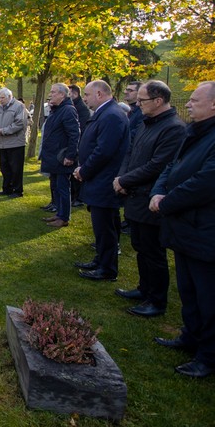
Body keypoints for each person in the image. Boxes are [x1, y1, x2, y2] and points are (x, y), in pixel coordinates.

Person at [149, 81, 215, 378]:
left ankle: (210, 356)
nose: (189, 104)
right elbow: (172, 167)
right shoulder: (197, 133)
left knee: (212, 298)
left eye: (195, 100)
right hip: (187, 229)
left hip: (212, 231)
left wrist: (167, 201)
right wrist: (158, 192)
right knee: (190, 290)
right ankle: (191, 336)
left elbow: (206, 185)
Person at [112, 80, 186, 317]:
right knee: (140, 246)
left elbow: (159, 165)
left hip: (150, 197)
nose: (138, 103)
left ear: (158, 101)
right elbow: (131, 152)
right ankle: (144, 289)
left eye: (142, 100)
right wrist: (122, 177)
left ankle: (156, 299)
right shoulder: (146, 122)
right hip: (134, 193)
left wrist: (126, 180)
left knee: (153, 251)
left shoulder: (173, 128)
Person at [73, 80, 130, 281]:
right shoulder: (105, 113)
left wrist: (85, 171)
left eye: (87, 95)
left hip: (104, 180)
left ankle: (107, 268)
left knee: (105, 227)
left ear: (99, 94)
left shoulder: (112, 115)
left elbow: (104, 151)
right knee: (102, 226)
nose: (84, 98)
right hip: (99, 178)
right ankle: (101, 259)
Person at [39, 83, 80, 227]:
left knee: (63, 188)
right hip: (53, 157)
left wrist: (70, 156)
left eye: (53, 92)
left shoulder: (68, 110)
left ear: (63, 95)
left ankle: (64, 218)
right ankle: (59, 214)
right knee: (56, 186)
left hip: (61, 159)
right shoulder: (57, 110)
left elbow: (74, 135)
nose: (50, 95)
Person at [0, 87, 28, 198]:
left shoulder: (19, 106)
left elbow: (19, 124)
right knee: (4, 168)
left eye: (2, 98)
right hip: (3, 144)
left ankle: (17, 190)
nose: (0, 100)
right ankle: (7, 189)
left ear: (10, 97)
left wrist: (3, 131)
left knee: (16, 168)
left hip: (16, 143)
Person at [69, 84, 91, 207]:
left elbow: (80, 128)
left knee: (77, 173)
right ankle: (73, 196)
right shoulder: (73, 106)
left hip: (79, 145)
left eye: (69, 93)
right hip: (74, 144)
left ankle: (78, 198)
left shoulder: (81, 109)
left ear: (75, 94)